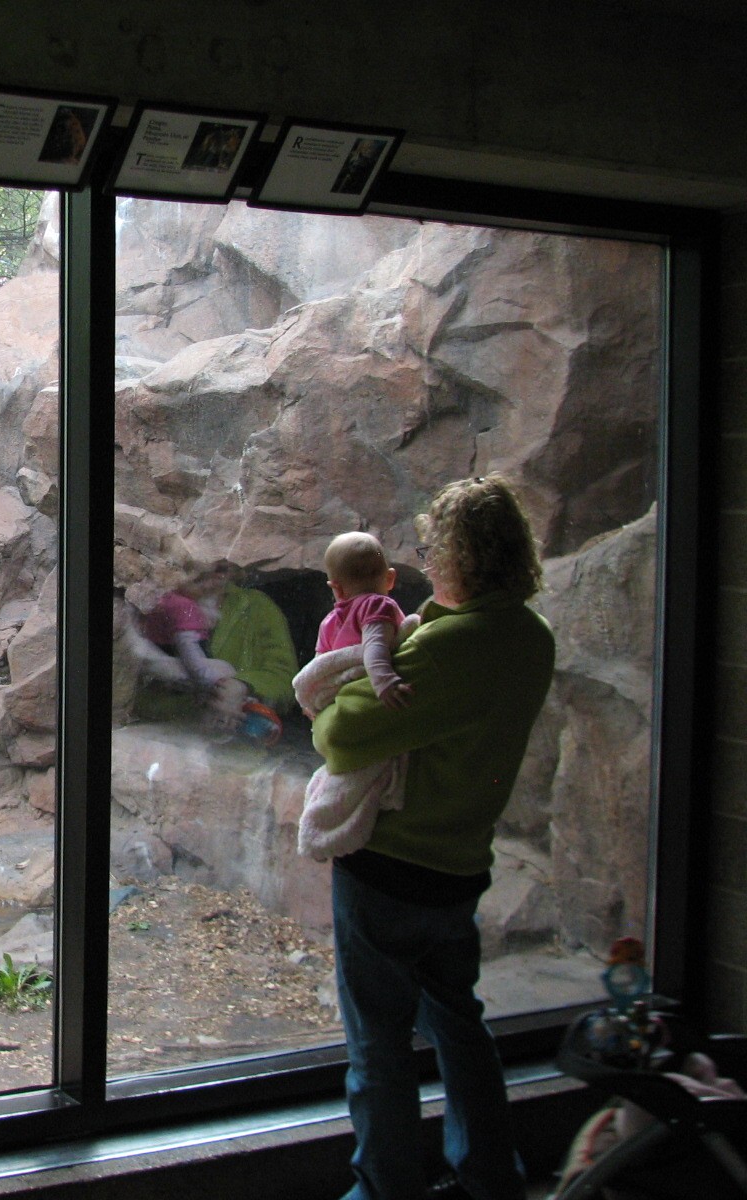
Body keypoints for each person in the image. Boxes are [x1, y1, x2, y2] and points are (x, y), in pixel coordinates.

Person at [312, 477, 556, 1200]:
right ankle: (490, 1175)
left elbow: (341, 733)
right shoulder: (530, 637)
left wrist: (333, 701)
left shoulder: (455, 644)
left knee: (378, 1048)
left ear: (454, 556)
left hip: (389, 866)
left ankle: (385, 1188)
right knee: (457, 1023)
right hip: (461, 862)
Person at [293, 532, 418, 860]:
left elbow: (320, 668)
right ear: (390, 578)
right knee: (369, 775)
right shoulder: (380, 604)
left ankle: (323, 828)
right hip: (364, 689)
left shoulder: (329, 621)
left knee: (337, 773)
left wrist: (312, 703)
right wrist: (385, 683)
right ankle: (336, 830)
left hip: (337, 704)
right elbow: (374, 648)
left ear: (335, 587)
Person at [125, 559, 298, 732]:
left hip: (242, 748)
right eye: (200, 577)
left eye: (221, 570)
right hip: (165, 739)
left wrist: (242, 687)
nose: (213, 581)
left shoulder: (257, 606)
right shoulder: (153, 608)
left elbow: (287, 682)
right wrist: (199, 708)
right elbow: (132, 690)